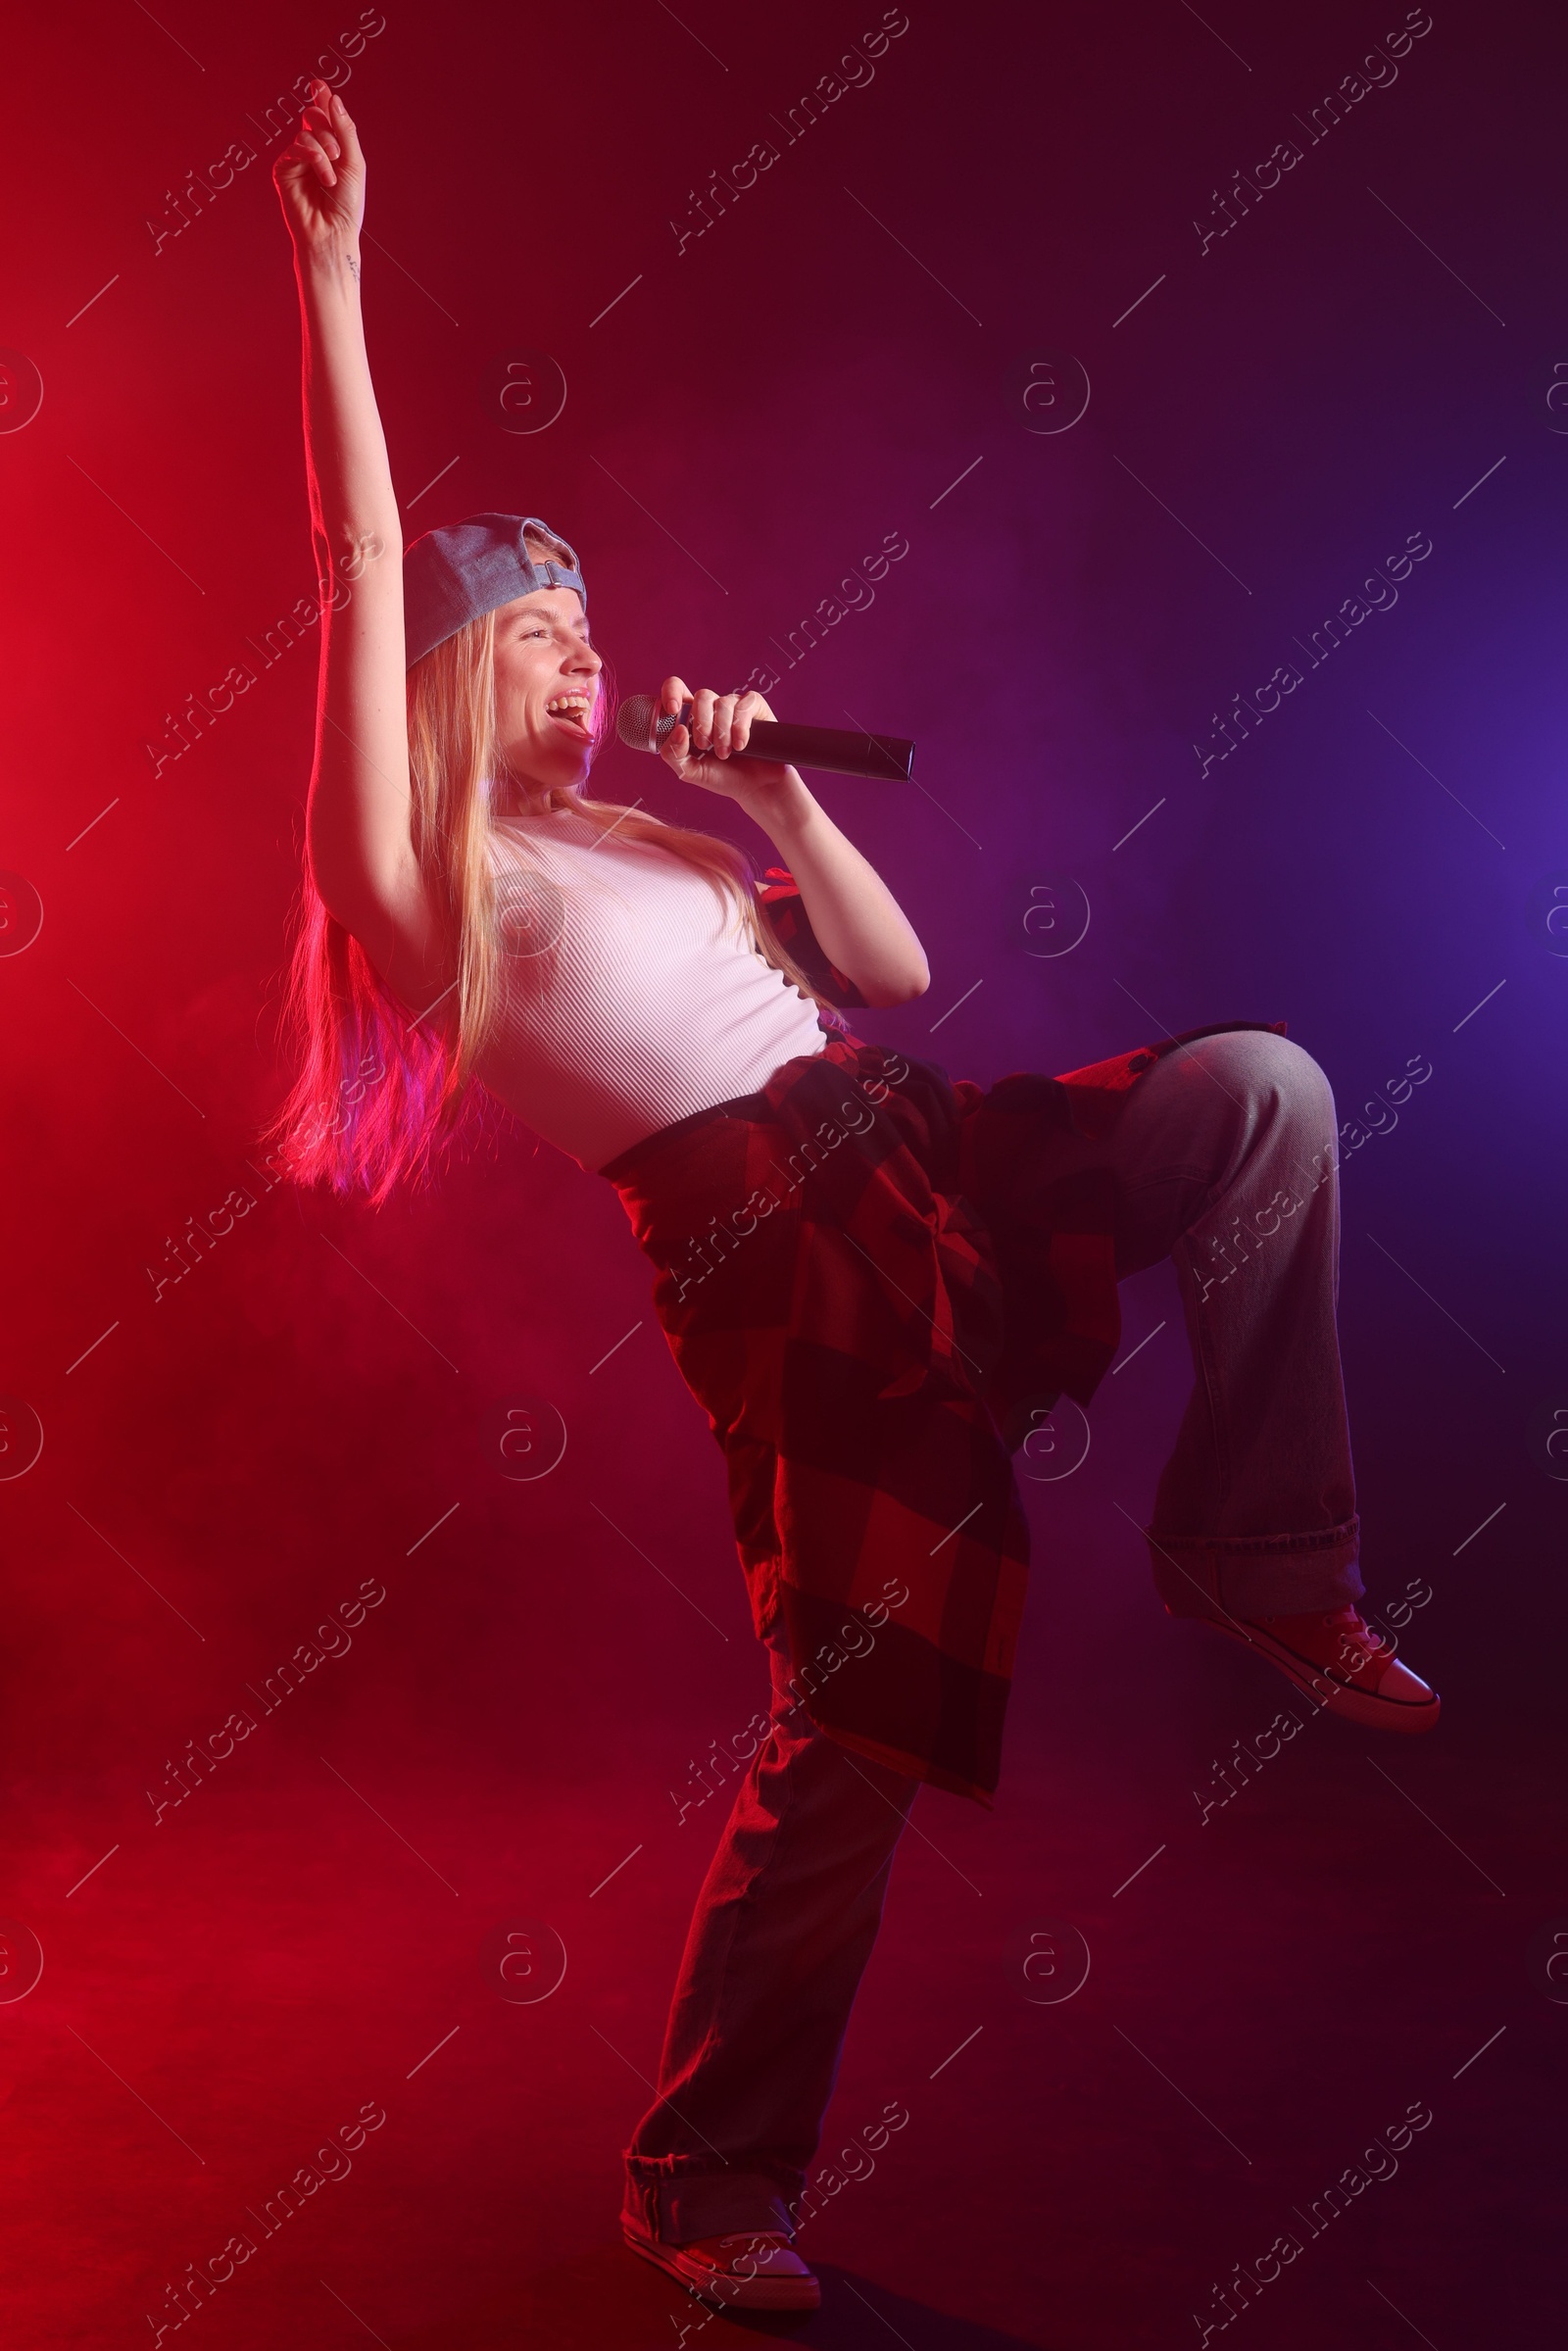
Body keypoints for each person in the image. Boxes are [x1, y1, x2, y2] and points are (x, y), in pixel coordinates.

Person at [270, 85, 1440, 2318]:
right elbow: (344, 565)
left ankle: (1255, 1556)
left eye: (588, 630)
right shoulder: (434, 894)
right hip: (769, 1263)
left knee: (1266, 1094)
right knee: (854, 1734)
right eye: (530, 639)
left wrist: (775, 792)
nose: (580, 658)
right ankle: (701, 2176)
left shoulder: (667, 843)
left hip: (920, 1153)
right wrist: (329, 280)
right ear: (438, 681)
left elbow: (896, 985)